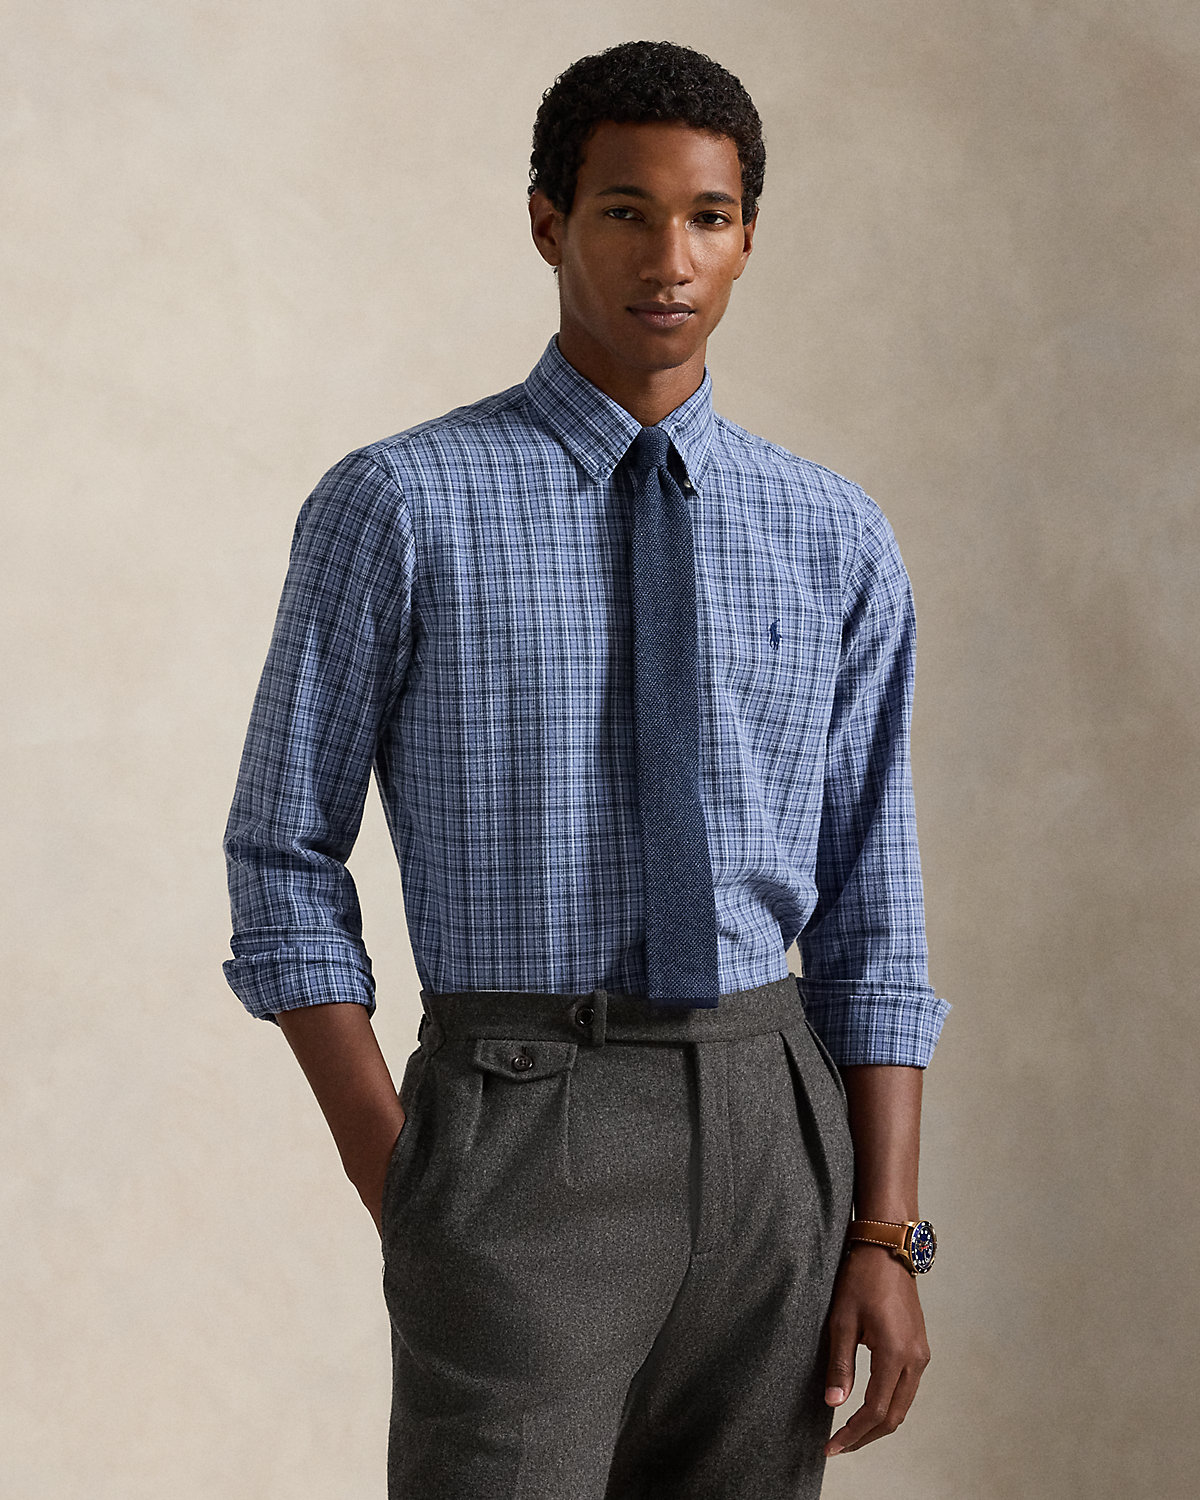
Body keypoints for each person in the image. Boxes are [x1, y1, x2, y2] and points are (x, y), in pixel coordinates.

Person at [222, 38, 950, 1500]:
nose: (668, 259)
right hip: (519, 1116)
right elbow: (280, 851)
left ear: (748, 237)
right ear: (549, 222)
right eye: (626, 212)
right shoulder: (401, 505)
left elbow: (873, 903)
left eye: (707, 217)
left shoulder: (833, 535)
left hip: (773, 1123)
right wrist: (400, 1171)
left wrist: (885, 1233)